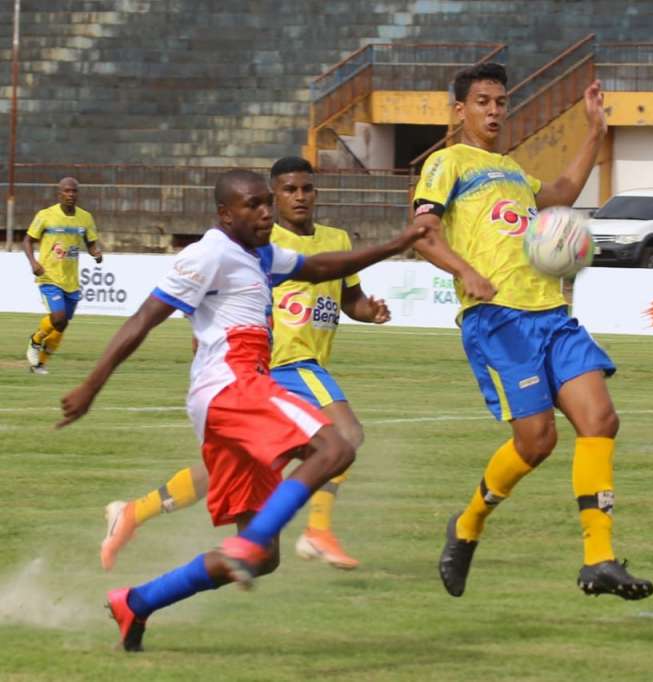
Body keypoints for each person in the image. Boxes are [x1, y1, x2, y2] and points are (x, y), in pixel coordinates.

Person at [58, 170, 424, 651]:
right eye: (253, 205)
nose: (266, 212)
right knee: (336, 445)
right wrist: (91, 384)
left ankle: (136, 603)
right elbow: (143, 319)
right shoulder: (209, 253)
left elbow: (321, 267)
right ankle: (252, 542)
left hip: (231, 394)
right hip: (233, 383)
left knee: (263, 557)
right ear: (225, 214)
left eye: (267, 203)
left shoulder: (261, 255)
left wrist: (397, 243)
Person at [411, 62, 653, 600]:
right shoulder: (446, 163)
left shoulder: (513, 173)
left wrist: (595, 130)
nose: (495, 111)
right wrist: (466, 272)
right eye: (482, 102)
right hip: (498, 320)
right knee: (537, 441)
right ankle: (468, 523)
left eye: (501, 101)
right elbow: (422, 234)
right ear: (459, 111)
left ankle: (600, 560)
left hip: (551, 314)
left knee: (601, 419)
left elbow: (565, 189)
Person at [99, 157, 385, 572]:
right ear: (271, 197)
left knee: (234, 469)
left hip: (275, 372)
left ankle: (133, 512)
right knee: (346, 434)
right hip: (286, 362)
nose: (299, 197)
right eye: (288, 191)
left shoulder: (337, 239)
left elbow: (348, 299)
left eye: (307, 188)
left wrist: (368, 310)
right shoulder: (254, 244)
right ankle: (316, 530)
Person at [23, 177, 103, 374]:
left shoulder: (86, 218)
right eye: (66, 191)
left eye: (74, 191)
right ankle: (35, 340)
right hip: (49, 276)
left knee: (61, 325)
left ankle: (39, 364)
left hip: (71, 281)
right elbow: (27, 240)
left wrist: (96, 253)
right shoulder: (46, 215)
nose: (70, 194)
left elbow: (91, 243)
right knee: (58, 318)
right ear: (59, 194)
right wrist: (34, 263)